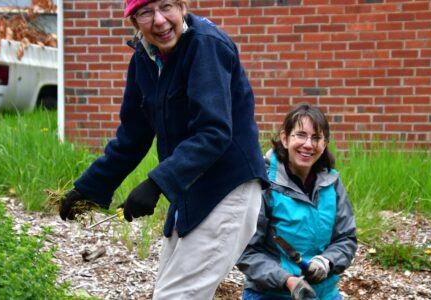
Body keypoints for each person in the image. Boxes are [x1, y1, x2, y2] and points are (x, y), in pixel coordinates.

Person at [58, 0, 269, 299]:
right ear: (134, 22)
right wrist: (91, 187)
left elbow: (214, 131)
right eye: (145, 12)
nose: (159, 20)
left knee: (176, 295)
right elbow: (132, 135)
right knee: (171, 292)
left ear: (182, 7)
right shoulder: (144, 59)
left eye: (166, 6)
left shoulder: (205, 46)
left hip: (227, 188)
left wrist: (156, 183)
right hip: (189, 189)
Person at [237, 104, 357, 300]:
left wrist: (326, 262)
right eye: (300, 135)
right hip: (271, 294)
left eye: (316, 138)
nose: (308, 144)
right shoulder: (262, 183)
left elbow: (346, 239)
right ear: (284, 139)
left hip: (323, 293)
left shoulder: (332, 183)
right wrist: (288, 280)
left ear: (325, 143)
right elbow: (246, 251)